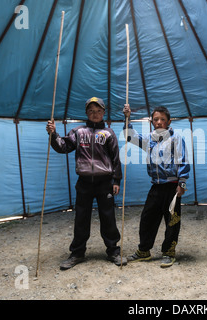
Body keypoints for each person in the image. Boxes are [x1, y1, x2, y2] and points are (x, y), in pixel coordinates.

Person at [46, 97, 126, 269]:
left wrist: (116, 180)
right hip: (84, 183)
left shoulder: (109, 133)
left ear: (103, 112)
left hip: (105, 183)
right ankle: (77, 253)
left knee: (108, 217)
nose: (95, 114)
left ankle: (113, 250)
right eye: (91, 111)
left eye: (98, 111)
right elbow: (63, 147)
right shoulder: (78, 132)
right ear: (86, 113)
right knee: (81, 218)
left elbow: (116, 159)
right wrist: (53, 134)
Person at [122, 104, 190, 268]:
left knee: (172, 221)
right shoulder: (149, 139)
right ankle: (144, 251)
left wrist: (182, 183)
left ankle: (168, 252)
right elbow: (130, 137)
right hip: (156, 186)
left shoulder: (176, 138)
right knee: (147, 218)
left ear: (168, 121)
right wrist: (127, 118)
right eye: (155, 119)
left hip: (172, 186)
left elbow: (183, 160)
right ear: (152, 122)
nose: (159, 122)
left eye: (162, 119)